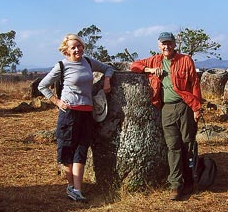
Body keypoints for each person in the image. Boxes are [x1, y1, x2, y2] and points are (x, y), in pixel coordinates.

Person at [38, 34, 114, 202]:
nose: (77, 49)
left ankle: (77, 190)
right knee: (67, 149)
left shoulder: (88, 62)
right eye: (73, 47)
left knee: (81, 148)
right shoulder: (62, 66)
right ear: (66, 50)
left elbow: (108, 68)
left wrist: (107, 80)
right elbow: (42, 85)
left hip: (87, 112)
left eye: (79, 46)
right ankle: (71, 186)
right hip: (69, 113)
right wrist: (56, 101)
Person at [130, 32, 202, 201]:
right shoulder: (154, 60)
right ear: (159, 45)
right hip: (166, 109)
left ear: (174, 44)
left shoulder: (185, 60)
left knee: (188, 144)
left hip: (185, 106)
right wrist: (150, 70)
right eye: (163, 44)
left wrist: (197, 108)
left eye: (169, 43)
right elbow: (133, 66)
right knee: (173, 146)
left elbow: (195, 84)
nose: (166, 47)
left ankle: (190, 179)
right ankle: (176, 185)